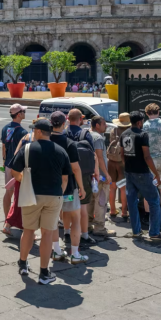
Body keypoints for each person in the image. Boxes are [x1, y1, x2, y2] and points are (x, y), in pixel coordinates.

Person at [9, 119, 71, 285]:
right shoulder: (61, 151)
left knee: (28, 230)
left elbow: (14, 171)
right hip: (53, 196)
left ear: (38, 131)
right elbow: (65, 178)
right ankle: (44, 272)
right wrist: (59, 193)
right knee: (47, 234)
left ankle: (23, 263)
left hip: (32, 195)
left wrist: (24, 181)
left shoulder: (27, 149)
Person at [120, 111, 161, 240]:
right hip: (142, 172)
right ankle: (154, 232)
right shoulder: (142, 135)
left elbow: (122, 154)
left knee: (132, 202)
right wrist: (156, 174)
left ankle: (136, 231)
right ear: (139, 122)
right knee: (154, 201)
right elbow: (147, 156)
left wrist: (128, 166)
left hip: (129, 172)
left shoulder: (124, 134)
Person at [48, 112, 88, 263]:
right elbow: (76, 169)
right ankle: (75, 253)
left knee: (53, 220)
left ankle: (57, 251)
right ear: (64, 124)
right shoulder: (69, 143)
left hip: (50, 187)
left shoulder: (45, 140)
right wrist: (82, 187)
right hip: (69, 187)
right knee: (75, 218)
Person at [65, 109, 96, 246]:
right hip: (83, 173)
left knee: (67, 203)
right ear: (80, 119)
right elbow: (92, 154)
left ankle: (66, 232)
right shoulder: (85, 134)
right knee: (83, 205)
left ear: (68, 119)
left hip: (67, 173)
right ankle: (84, 234)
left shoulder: (63, 133)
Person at [142, 103, 161, 227]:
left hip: (149, 161)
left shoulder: (144, 126)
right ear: (158, 112)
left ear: (147, 113)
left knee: (149, 190)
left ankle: (148, 216)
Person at [1, 104, 28, 237]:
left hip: (8, 165)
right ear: (18, 114)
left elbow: (3, 146)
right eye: (23, 111)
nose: (24, 113)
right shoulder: (23, 132)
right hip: (18, 168)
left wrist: (4, 161)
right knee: (20, 196)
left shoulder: (5, 128)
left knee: (8, 193)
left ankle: (7, 221)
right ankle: (21, 224)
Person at [89, 115, 116, 237]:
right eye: (104, 124)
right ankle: (99, 228)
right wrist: (106, 174)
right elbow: (99, 157)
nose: (106, 126)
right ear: (97, 125)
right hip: (100, 176)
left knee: (90, 200)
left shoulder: (87, 134)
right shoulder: (98, 138)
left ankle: (87, 225)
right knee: (101, 201)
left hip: (89, 174)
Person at [108, 113, 130, 220]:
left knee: (112, 187)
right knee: (123, 188)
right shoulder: (129, 132)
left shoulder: (114, 131)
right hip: (122, 162)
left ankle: (112, 210)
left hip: (111, 161)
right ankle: (124, 212)